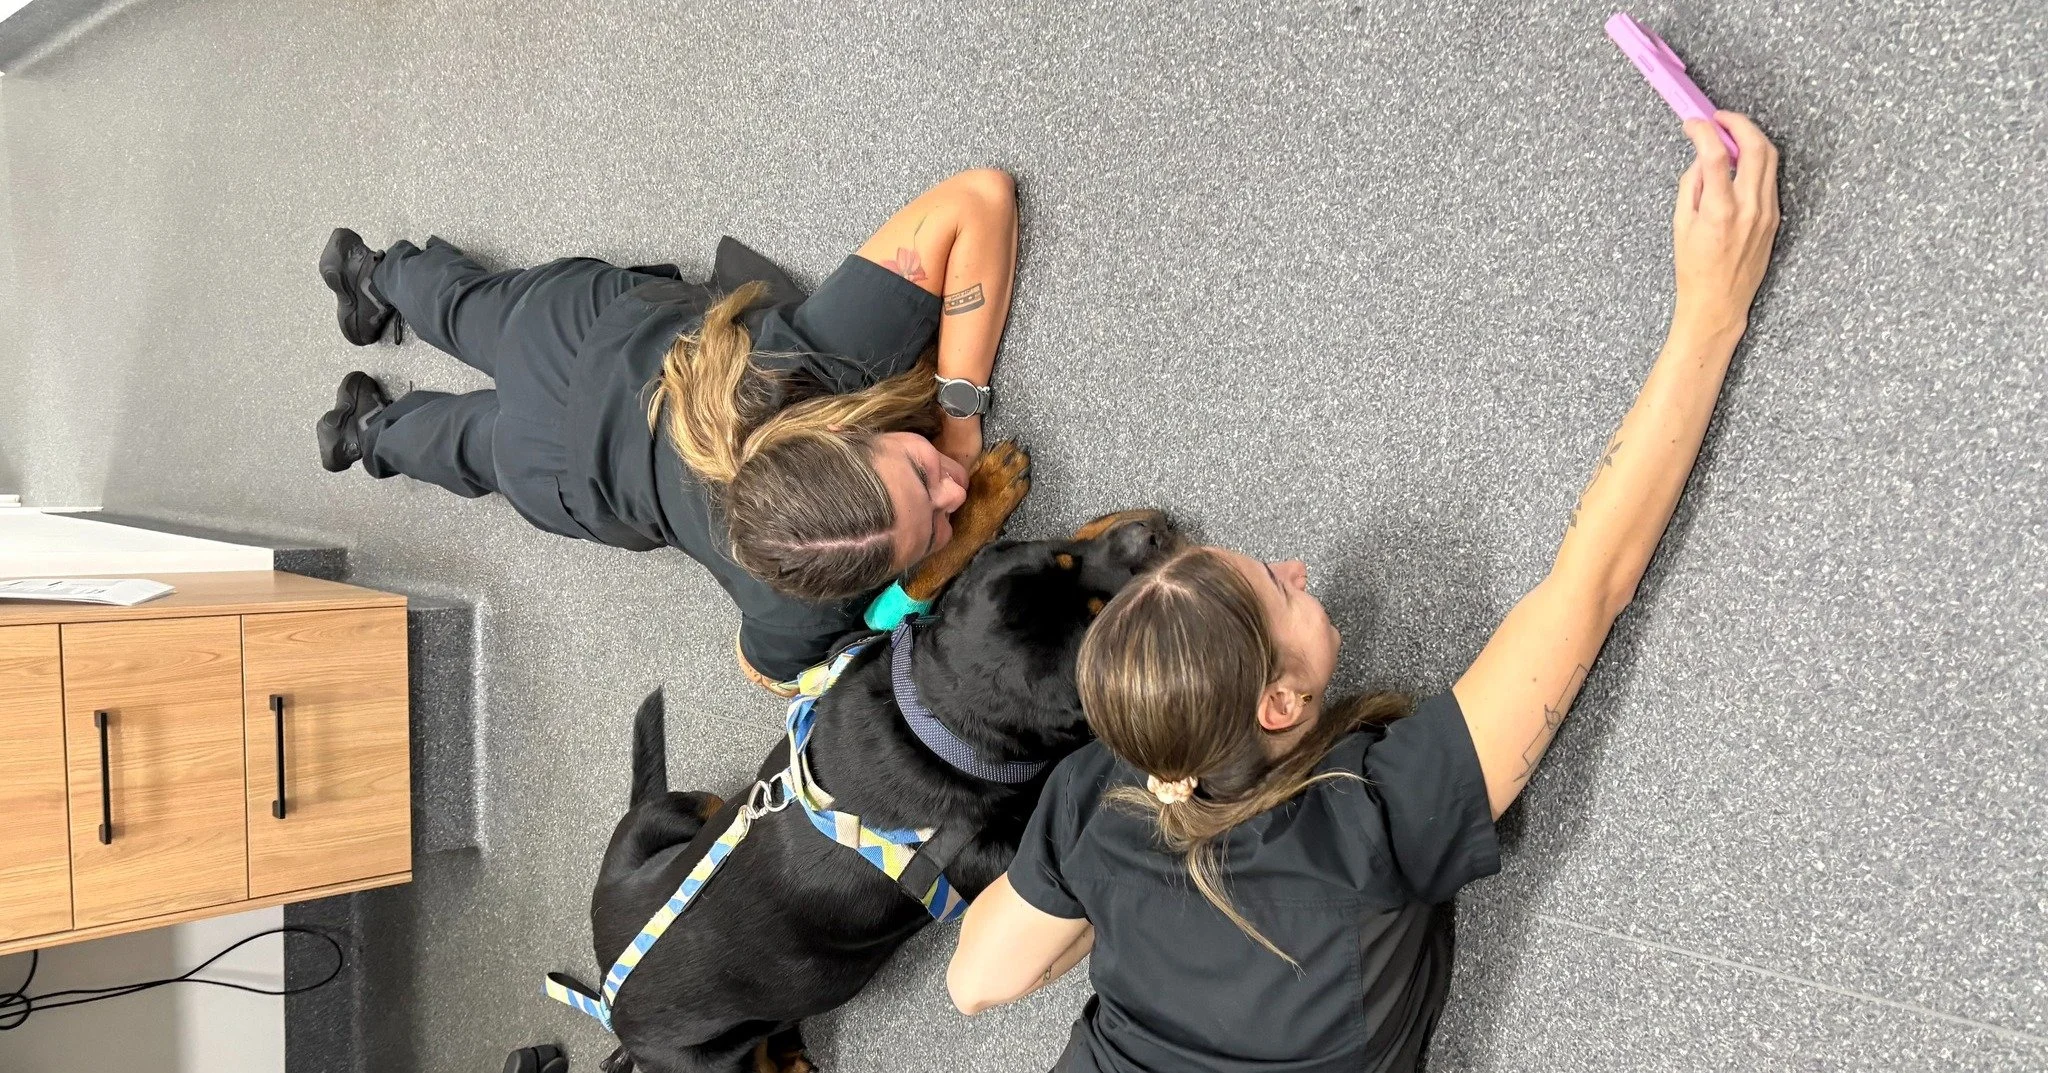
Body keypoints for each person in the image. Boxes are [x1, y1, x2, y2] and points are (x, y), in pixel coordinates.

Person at [946, 115, 1781, 1072]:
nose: (1299, 569)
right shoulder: (1367, 821)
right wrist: (1712, 308)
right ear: (1278, 701)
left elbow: (977, 979)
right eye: (1280, 588)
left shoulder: (1106, 795)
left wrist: (1115, 901)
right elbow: (1592, 582)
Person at [312, 169, 1019, 691]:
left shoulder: (824, 356)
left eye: (934, 518)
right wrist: (958, 422)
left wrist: (950, 435)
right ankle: (368, 431)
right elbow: (981, 197)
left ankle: (373, 275)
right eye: (925, 481)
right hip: (563, 466)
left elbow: (976, 201)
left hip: (572, 335)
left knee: (469, 309)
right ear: (844, 426)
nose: (957, 490)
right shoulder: (793, 605)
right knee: (466, 444)